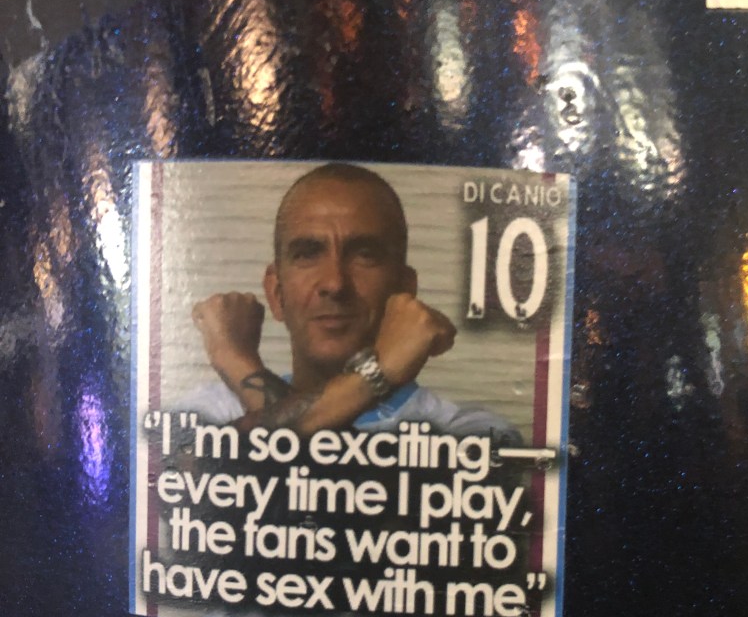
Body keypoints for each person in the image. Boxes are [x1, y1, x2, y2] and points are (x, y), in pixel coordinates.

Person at [186, 162, 518, 443]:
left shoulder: (470, 433)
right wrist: (378, 374)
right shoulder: (206, 411)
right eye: (308, 254)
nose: (335, 283)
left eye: (365, 255)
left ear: (404, 291)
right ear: (276, 293)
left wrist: (235, 361)